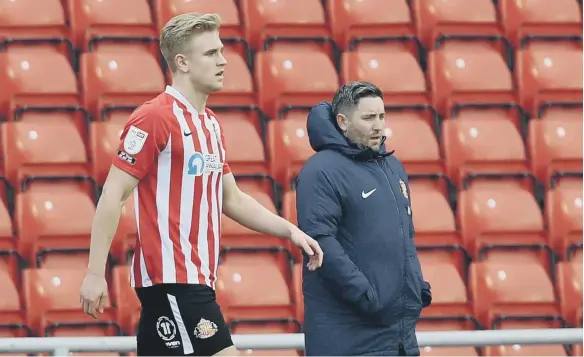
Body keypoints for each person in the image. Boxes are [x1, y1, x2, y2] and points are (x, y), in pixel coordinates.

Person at [79, 12, 323, 357]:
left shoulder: (210, 125)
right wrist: (94, 273)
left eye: (221, 51)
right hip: (174, 278)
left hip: (196, 278)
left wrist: (291, 232)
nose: (223, 61)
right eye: (211, 53)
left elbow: (232, 198)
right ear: (182, 62)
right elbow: (113, 194)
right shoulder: (154, 117)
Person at [296, 81, 432, 356]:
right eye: (369, 118)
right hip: (348, 337)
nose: (379, 125)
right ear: (343, 121)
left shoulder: (392, 166)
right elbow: (321, 242)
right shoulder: (320, 171)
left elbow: (405, 236)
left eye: (381, 116)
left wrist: (418, 286)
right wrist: (367, 296)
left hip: (399, 336)